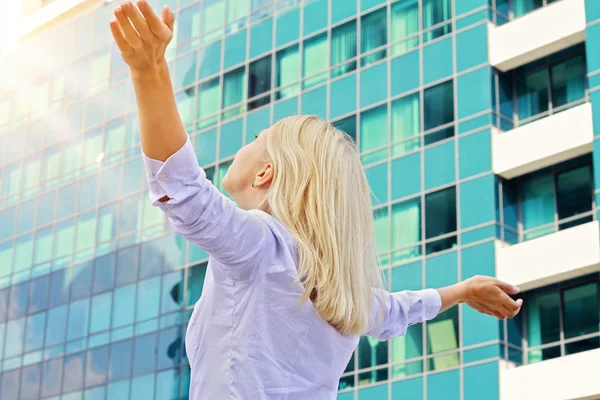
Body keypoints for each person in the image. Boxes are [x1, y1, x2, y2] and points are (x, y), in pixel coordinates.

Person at [109, 2, 523, 399]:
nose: (248, 140)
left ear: (264, 173)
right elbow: (398, 310)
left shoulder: (263, 245)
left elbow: (184, 193)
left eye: (257, 138)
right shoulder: (340, 288)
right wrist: (463, 291)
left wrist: (150, 72)